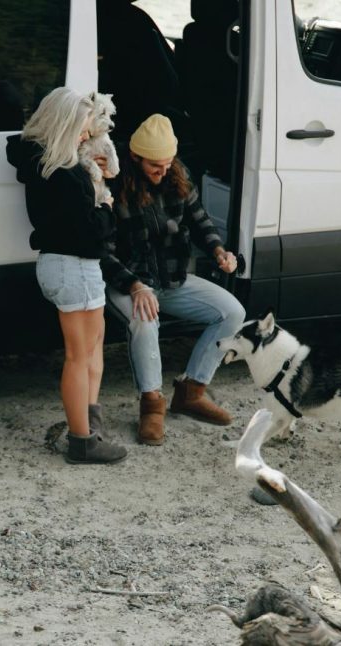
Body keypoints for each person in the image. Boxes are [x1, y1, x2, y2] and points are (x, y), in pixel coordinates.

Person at [101, 114, 245, 446]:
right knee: (144, 320)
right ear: (135, 158)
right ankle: (152, 407)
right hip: (128, 282)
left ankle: (191, 392)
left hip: (174, 279)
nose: (163, 171)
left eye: (167, 164)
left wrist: (219, 251)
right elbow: (101, 251)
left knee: (231, 312)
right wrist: (135, 286)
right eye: (155, 165)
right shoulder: (113, 182)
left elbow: (200, 221)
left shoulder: (178, 173)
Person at [5, 87, 128, 465]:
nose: (86, 135)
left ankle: (89, 422)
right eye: (82, 128)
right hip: (74, 264)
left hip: (63, 264)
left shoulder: (44, 165)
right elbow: (92, 230)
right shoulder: (65, 173)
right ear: (64, 125)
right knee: (80, 354)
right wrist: (106, 205)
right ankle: (82, 440)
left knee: (93, 345)